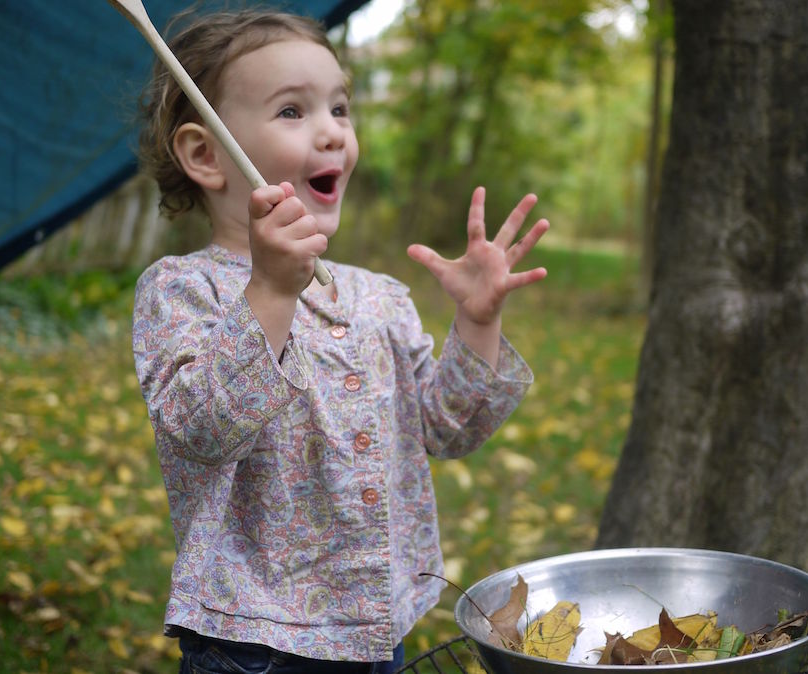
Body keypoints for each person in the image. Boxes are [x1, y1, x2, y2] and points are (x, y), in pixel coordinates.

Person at [131, 9, 549, 674]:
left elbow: (447, 429)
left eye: (340, 108)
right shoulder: (182, 291)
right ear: (206, 154)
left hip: (379, 631)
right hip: (256, 645)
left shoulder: (378, 296)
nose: (332, 132)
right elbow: (204, 429)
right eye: (292, 111)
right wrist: (270, 291)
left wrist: (476, 322)